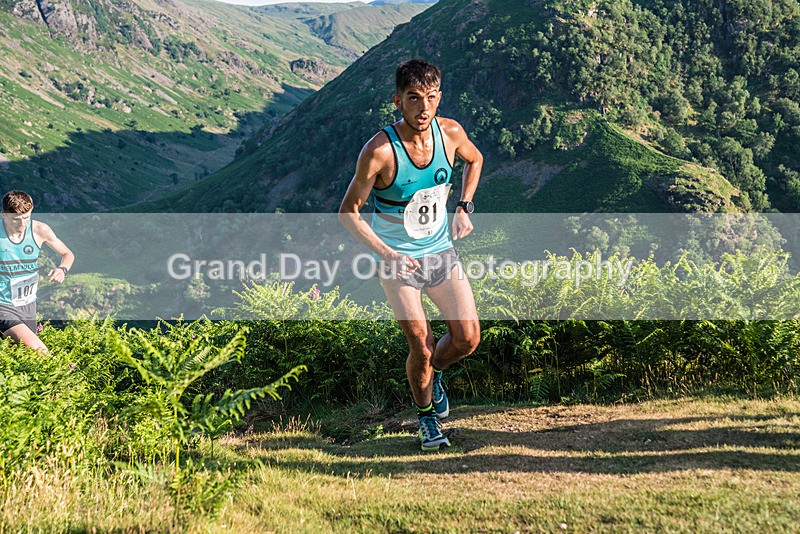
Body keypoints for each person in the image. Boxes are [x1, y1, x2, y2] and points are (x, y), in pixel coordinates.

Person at [339, 59, 483, 451]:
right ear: (397, 101)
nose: (424, 108)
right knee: (420, 343)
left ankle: (432, 375)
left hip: (441, 253)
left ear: (440, 98)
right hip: (398, 263)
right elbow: (347, 212)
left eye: (431, 98)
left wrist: (464, 206)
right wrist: (388, 255)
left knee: (467, 338)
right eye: (414, 98)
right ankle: (427, 420)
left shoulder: (450, 133)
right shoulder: (379, 151)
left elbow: (475, 159)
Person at [0, 190, 74, 354]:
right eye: (16, 220)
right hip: (3, 305)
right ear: (4, 215)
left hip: (27, 304)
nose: (22, 224)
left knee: (23, 357)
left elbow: (67, 254)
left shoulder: (40, 230)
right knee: (40, 352)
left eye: (27, 217)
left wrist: (62, 270)